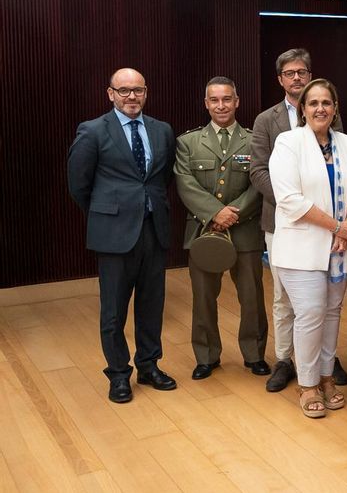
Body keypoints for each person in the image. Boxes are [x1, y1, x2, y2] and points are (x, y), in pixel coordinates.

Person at [67, 68, 177, 403]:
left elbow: (161, 180)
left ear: (146, 92)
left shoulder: (162, 130)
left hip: (153, 229)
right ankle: (118, 374)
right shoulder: (92, 131)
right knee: (114, 310)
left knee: (151, 304)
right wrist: (108, 214)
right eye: (124, 90)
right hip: (113, 233)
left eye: (138, 90)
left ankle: (148, 365)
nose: (132, 96)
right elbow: (78, 185)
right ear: (110, 94)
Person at [250, 48, 347, 392]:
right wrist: (295, 203)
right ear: (281, 80)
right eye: (290, 73)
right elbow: (261, 173)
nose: (296, 77)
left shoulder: (343, 138)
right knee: (291, 303)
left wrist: (340, 223)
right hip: (289, 227)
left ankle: (325, 368)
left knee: (328, 308)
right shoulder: (272, 125)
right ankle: (287, 362)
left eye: (302, 72)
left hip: (336, 238)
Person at [269, 79, 347, 418]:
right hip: (301, 247)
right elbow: (289, 199)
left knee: (332, 312)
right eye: (313, 103)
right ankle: (307, 384)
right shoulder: (288, 142)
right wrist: (337, 226)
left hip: (340, 246)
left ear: (335, 108)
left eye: (326, 102)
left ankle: (325, 377)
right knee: (309, 314)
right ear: (303, 110)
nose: (320, 108)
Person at [174, 76, 269, 381]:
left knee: (252, 297)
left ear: (236, 102)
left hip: (245, 229)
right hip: (204, 232)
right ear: (206, 104)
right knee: (203, 297)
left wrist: (232, 213)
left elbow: (259, 183)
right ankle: (206, 356)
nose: (221, 105)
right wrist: (215, 213)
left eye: (227, 99)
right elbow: (185, 184)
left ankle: (254, 354)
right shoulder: (188, 142)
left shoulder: (254, 140)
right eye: (214, 100)